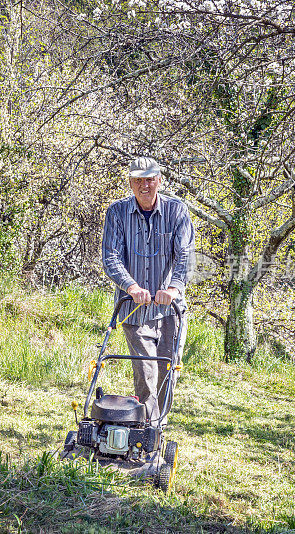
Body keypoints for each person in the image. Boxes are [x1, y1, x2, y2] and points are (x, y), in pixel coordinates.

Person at [101, 156, 195, 426]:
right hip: (134, 307)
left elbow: (185, 256)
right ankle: (148, 427)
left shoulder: (177, 212)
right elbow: (111, 257)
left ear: (159, 181)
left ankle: (159, 424)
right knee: (145, 372)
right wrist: (131, 286)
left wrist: (174, 287)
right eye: (138, 180)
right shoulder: (117, 212)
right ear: (131, 183)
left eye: (149, 179)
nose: (144, 185)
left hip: (170, 309)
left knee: (168, 369)